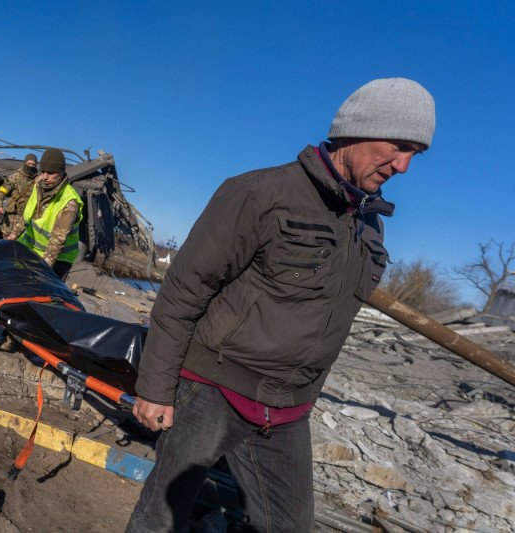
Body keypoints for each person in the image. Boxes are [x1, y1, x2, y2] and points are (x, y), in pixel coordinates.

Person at [126, 78, 435, 532]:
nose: (404, 166)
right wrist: (155, 388)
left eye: (416, 154)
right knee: (162, 516)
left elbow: (331, 320)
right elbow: (184, 290)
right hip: (212, 390)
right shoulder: (259, 193)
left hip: (287, 410)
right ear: (356, 131)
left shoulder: (370, 224)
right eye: (400, 147)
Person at [9, 148, 83, 281]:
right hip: (32, 249)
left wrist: (42, 270)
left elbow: (57, 241)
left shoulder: (69, 202)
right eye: (43, 172)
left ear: (61, 172)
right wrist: (13, 234)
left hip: (58, 259)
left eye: (50, 173)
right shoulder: (38, 186)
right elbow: (27, 215)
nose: (45, 176)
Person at [0, 153, 38, 238]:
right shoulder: (15, 177)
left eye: (33, 164)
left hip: (25, 217)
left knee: (20, 240)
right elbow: (1, 191)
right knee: (5, 237)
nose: (31, 166)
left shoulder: (37, 181)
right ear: (25, 163)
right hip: (11, 214)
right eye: (29, 163)